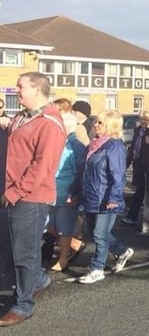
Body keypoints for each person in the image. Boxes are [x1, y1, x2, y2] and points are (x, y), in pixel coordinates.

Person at [0, 72, 67, 327]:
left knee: (24, 252)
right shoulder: (22, 117)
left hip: (30, 197)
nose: (16, 90)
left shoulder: (50, 122)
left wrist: (15, 191)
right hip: (12, 193)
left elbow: (43, 167)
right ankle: (37, 280)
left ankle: (23, 304)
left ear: (37, 89)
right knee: (12, 247)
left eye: (21, 86)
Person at [78, 110, 135, 284]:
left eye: (100, 122)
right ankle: (122, 251)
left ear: (111, 125)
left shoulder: (115, 146)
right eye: (96, 121)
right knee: (97, 232)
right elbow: (84, 172)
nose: (96, 125)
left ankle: (97, 268)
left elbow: (118, 175)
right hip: (91, 195)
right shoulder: (93, 145)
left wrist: (113, 198)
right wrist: (75, 193)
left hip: (106, 197)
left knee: (99, 234)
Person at [48, 111, 87, 272]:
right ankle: (75, 244)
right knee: (48, 226)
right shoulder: (57, 142)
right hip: (51, 192)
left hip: (66, 193)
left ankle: (63, 259)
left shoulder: (76, 147)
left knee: (64, 228)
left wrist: (75, 194)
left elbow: (79, 173)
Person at [121, 111, 149, 226]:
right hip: (138, 164)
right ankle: (133, 216)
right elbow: (133, 149)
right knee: (139, 191)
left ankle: (135, 217)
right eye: (142, 119)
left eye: (146, 119)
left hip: (148, 166)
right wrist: (126, 164)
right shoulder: (138, 131)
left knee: (143, 192)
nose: (144, 122)